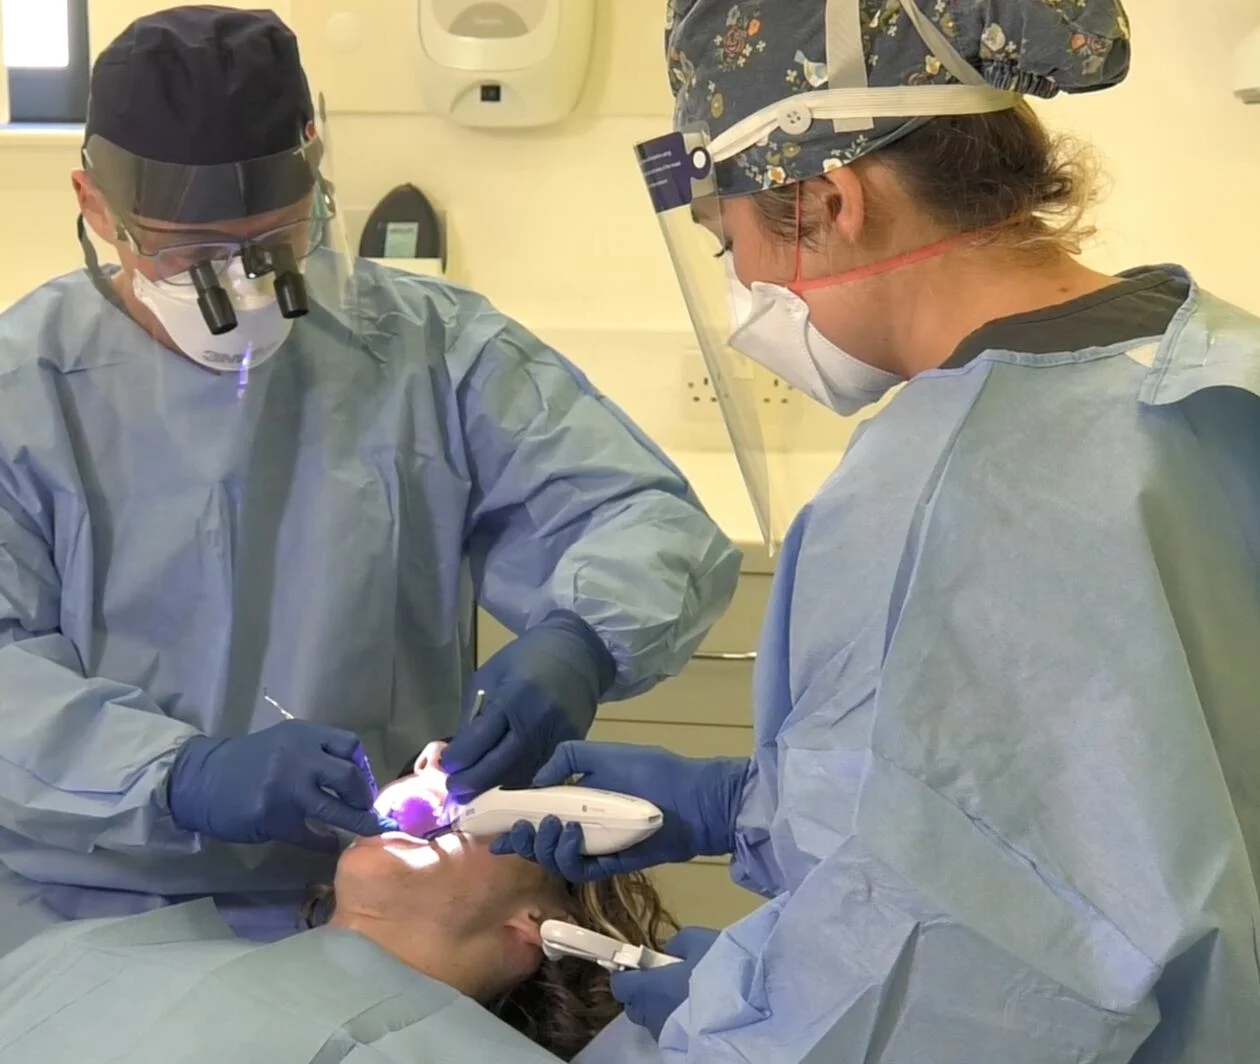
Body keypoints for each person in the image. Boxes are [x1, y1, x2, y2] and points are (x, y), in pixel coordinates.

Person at [498, 1, 1260, 1061]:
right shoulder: (1214, 358)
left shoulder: (938, 500)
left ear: (826, 199)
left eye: (731, 239)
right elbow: (1106, 790)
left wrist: (733, 1014)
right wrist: (751, 804)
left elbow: (940, 982)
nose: (742, 289)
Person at [0, 6, 740, 955]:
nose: (246, 290)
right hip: (80, 917)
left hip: (367, 916)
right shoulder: (26, 395)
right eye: (192, 257)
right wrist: (182, 777)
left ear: (317, 179)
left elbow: (638, 516)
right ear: (96, 208)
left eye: (274, 244)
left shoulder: (429, 352)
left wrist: (579, 642)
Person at [0, 744, 680, 1063]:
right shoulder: (86, 954)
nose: (432, 764)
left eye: (489, 799)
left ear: (538, 925)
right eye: (430, 765)